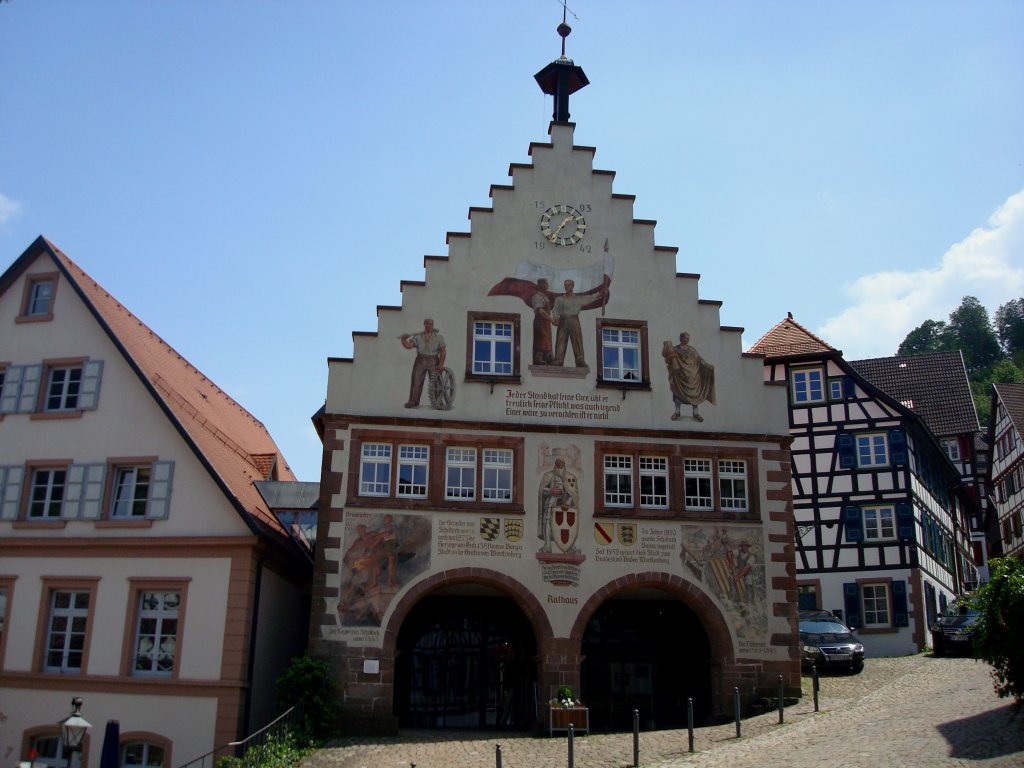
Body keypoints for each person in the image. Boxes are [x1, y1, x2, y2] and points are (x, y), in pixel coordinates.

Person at [662, 332, 715, 422]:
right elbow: (667, 359)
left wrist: (707, 365)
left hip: (692, 376)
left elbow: (699, 360)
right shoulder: (674, 349)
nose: (686, 340)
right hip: (679, 377)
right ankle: (677, 412)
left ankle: (696, 413)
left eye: (687, 338)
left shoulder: (692, 350)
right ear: (681, 339)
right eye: (685, 338)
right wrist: (668, 353)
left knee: (694, 395)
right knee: (677, 394)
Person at [401, 318, 446, 408]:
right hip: (420, 360)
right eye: (428, 324)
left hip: (433, 360)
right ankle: (413, 401)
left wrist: (441, 364)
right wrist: (403, 339)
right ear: (424, 324)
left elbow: (443, 351)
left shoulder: (438, 337)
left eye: (431, 324)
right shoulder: (418, 337)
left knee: (436, 381)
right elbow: (409, 346)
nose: (430, 325)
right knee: (416, 380)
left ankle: (438, 402)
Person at [537, 457, 579, 552]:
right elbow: (541, 490)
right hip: (551, 502)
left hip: (566, 504)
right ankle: (547, 545)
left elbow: (575, 493)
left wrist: (568, 503)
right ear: (555, 464)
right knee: (547, 521)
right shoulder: (548, 475)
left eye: (562, 461)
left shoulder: (570, 476)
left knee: (568, 524)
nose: (560, 462)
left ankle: (570, 546)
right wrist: (550, 490)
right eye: (558, 461)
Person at [551, 279, 590, 367]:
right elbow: (555, 309)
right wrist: (556, 317)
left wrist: (599, 295)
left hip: (574, 319)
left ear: (572, 286)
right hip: (563, 320)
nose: (566, 286)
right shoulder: (560, 299)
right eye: (565, 285)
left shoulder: (577, 299)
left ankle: (580, 359)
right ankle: (559, 359)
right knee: (561, 339)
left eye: (569, 285)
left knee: (577, 339)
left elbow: (589, 299)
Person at [531, 278, 555, 364]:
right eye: (543, 283)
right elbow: (540, 311)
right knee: (540, 339)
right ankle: (539, 357)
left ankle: (548, 357)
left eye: (546, 283)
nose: (545, 285)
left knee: (547, 340)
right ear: (539, 285)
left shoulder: (545, 296)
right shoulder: (537, 296)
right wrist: (551, 319)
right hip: (540, 321)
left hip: (546, 322)